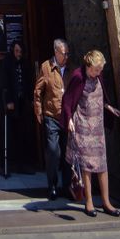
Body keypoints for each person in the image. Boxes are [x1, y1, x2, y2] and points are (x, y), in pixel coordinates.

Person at [61, 48, 120, 216]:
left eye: (100, 69)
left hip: (97, 127)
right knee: (87, 165)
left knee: (102, 164)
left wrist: (108, 107)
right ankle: (88, 202)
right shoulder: (78, 77)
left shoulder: (98, 76)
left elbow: (101, 96)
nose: (98, 72)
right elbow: (68, 100)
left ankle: (106, 202)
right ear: (88, 66)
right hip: (83, 125)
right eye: (96, 69)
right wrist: (69, 120)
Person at [34, 38, 73, 201]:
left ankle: (68, 186)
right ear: (56, 52)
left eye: (68, 53)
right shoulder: (46, 67)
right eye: (64, 53)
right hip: (51, 116)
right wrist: (39, 111)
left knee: (68, 152)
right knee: (53, 151)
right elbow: (38, 90)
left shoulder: (72, 68)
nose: (67, 56)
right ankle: (52, 185)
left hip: (68, 117)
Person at [0, 40, 34, 173]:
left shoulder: (25, 63)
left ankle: (23, 163)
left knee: (23, 132)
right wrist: (8, 101)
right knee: (10, 133)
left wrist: (31, 99)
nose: (18, 54)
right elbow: (4, 82)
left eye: (20, 51)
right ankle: (8, 164)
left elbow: (29, 81)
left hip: (22, 102)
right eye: (16, 51)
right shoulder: (7, 63)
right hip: (11, 103)